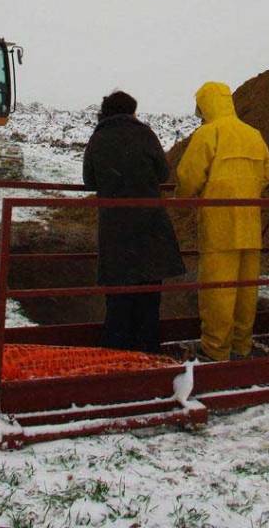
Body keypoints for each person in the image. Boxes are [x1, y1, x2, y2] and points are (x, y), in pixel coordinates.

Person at [83, 90, 185, 353]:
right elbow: (163, 173)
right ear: (131, 111)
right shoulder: (145, 133)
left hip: (116, 230)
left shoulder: (99, 138)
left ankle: (116, 355)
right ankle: (147, 353)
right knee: (149, 297)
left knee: (118, 299)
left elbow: (89, 180)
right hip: (150, 226)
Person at [176, 82, 269, 361]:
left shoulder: (209, 133)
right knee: (245, 290)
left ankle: (215, 350)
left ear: (206, 105)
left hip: (219, 226)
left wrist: (183, 198)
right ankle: (241, 346)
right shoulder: (254, 135)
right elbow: (266, 176)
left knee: (218, 290)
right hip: (250, 226)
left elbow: (189, 176)